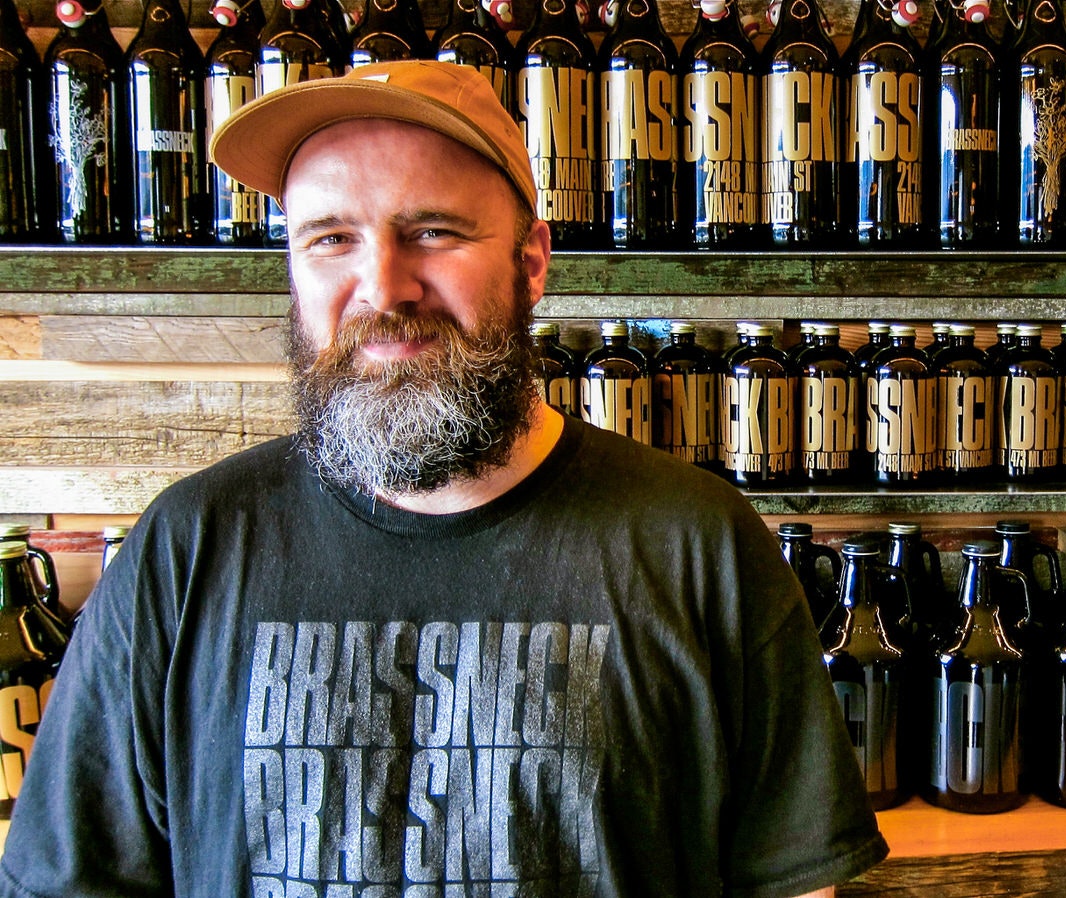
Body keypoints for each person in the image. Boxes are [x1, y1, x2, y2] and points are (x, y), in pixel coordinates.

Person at [0, 61, 887, 898]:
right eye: (330, 238)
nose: (382, 287)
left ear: (532, 262)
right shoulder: (186, 547)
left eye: (432, 231)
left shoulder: (697, 544)